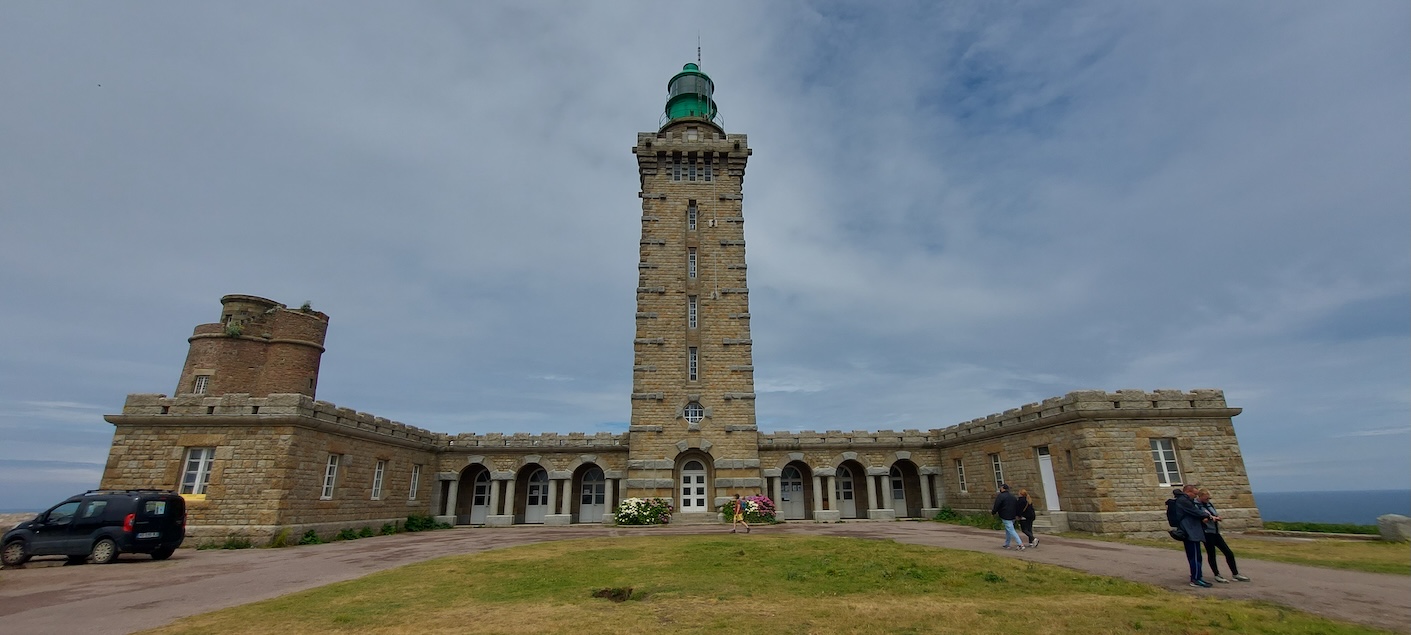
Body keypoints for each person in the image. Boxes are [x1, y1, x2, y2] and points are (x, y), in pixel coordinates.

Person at [1196, 488, 1248, 582]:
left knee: (1228, 552)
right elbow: (1200, 518)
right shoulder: (1196, 506)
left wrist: (1217, 518)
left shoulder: (1209, 504)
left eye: (1209, 498)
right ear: (1200, 496)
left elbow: (1214, 514)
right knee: (1212, 554)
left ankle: (1235, 573)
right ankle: (1217, 574)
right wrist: (1209, 519)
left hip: (1215, 532)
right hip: (1207, 533)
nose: (1208, 500)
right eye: (1206, 498)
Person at [1172, 484, 1215, 587]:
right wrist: (1208, 516)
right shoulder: (1183, 501)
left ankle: (1198, 577)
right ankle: (1195, 579)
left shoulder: (1184, 500)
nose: (1195, 496)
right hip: (1190, 531)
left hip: (1192, 530)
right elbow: (1196, 512)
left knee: (1197, 556)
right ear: (1188, 492)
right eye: (1194, 494)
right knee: (1195, 557)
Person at [990, 483, 1024, 550]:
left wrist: (993, 512)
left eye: (1000, 488)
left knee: (1011, 530)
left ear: (1002, 488)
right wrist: (1017, 515)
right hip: (1013, 515)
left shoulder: (1001, 496)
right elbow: (1017, 506)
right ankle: (1007, 543)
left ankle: (1020, 544)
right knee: (1008, 530)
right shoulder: (1012, 496)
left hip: (1005, 515)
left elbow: (997, 505)